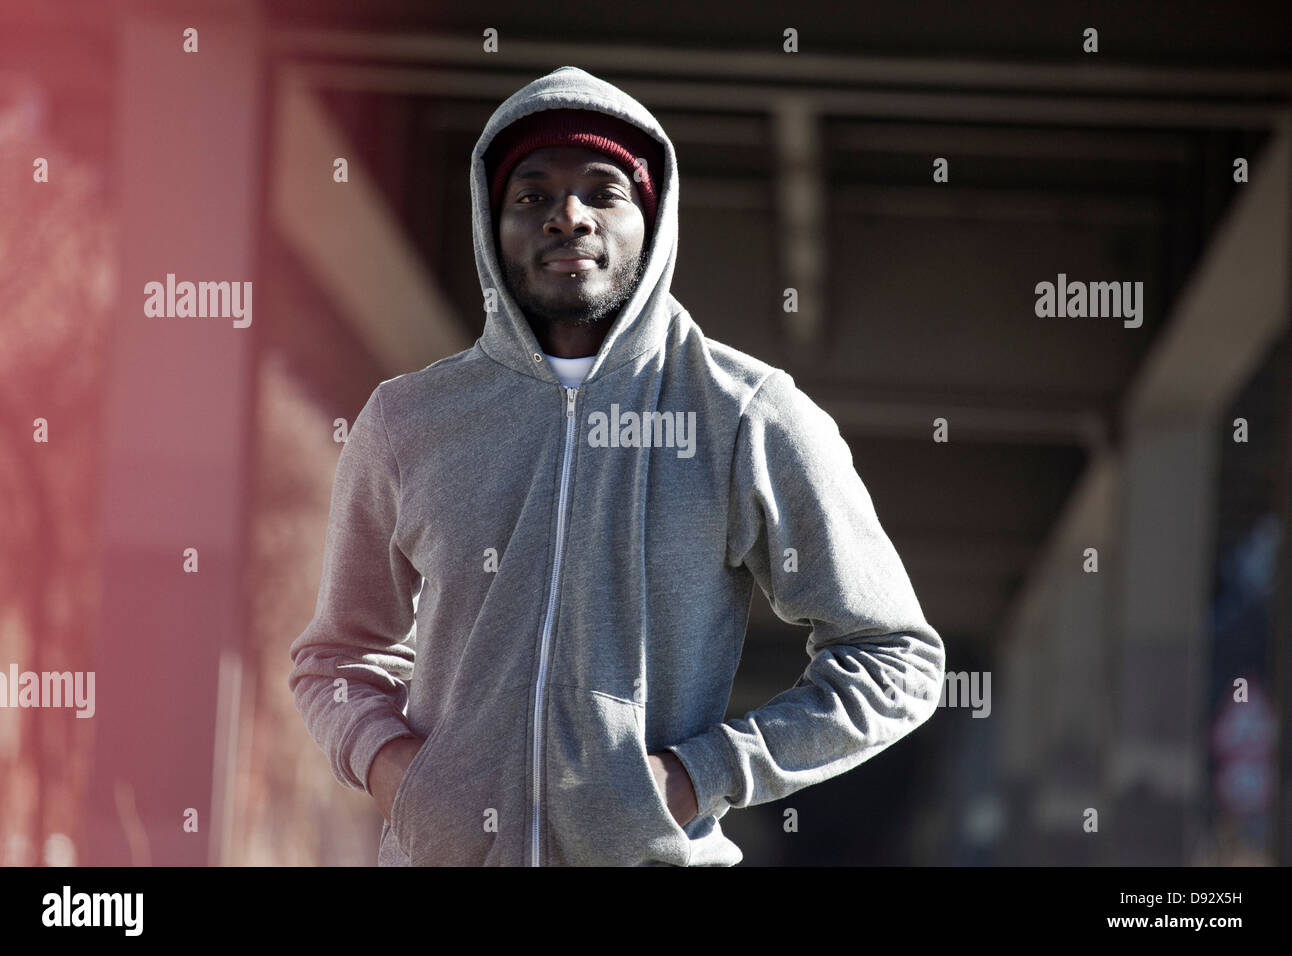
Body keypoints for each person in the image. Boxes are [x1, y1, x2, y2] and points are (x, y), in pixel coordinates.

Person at [288, 65, 946, 867]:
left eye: (604, 192)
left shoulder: (741, 414)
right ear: (492, 225)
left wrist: (694, 779)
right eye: (531, 196)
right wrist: (395, 773)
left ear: (653, 217)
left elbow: (893, 657)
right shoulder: (407, 421)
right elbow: (337, 658)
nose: (568, 217)